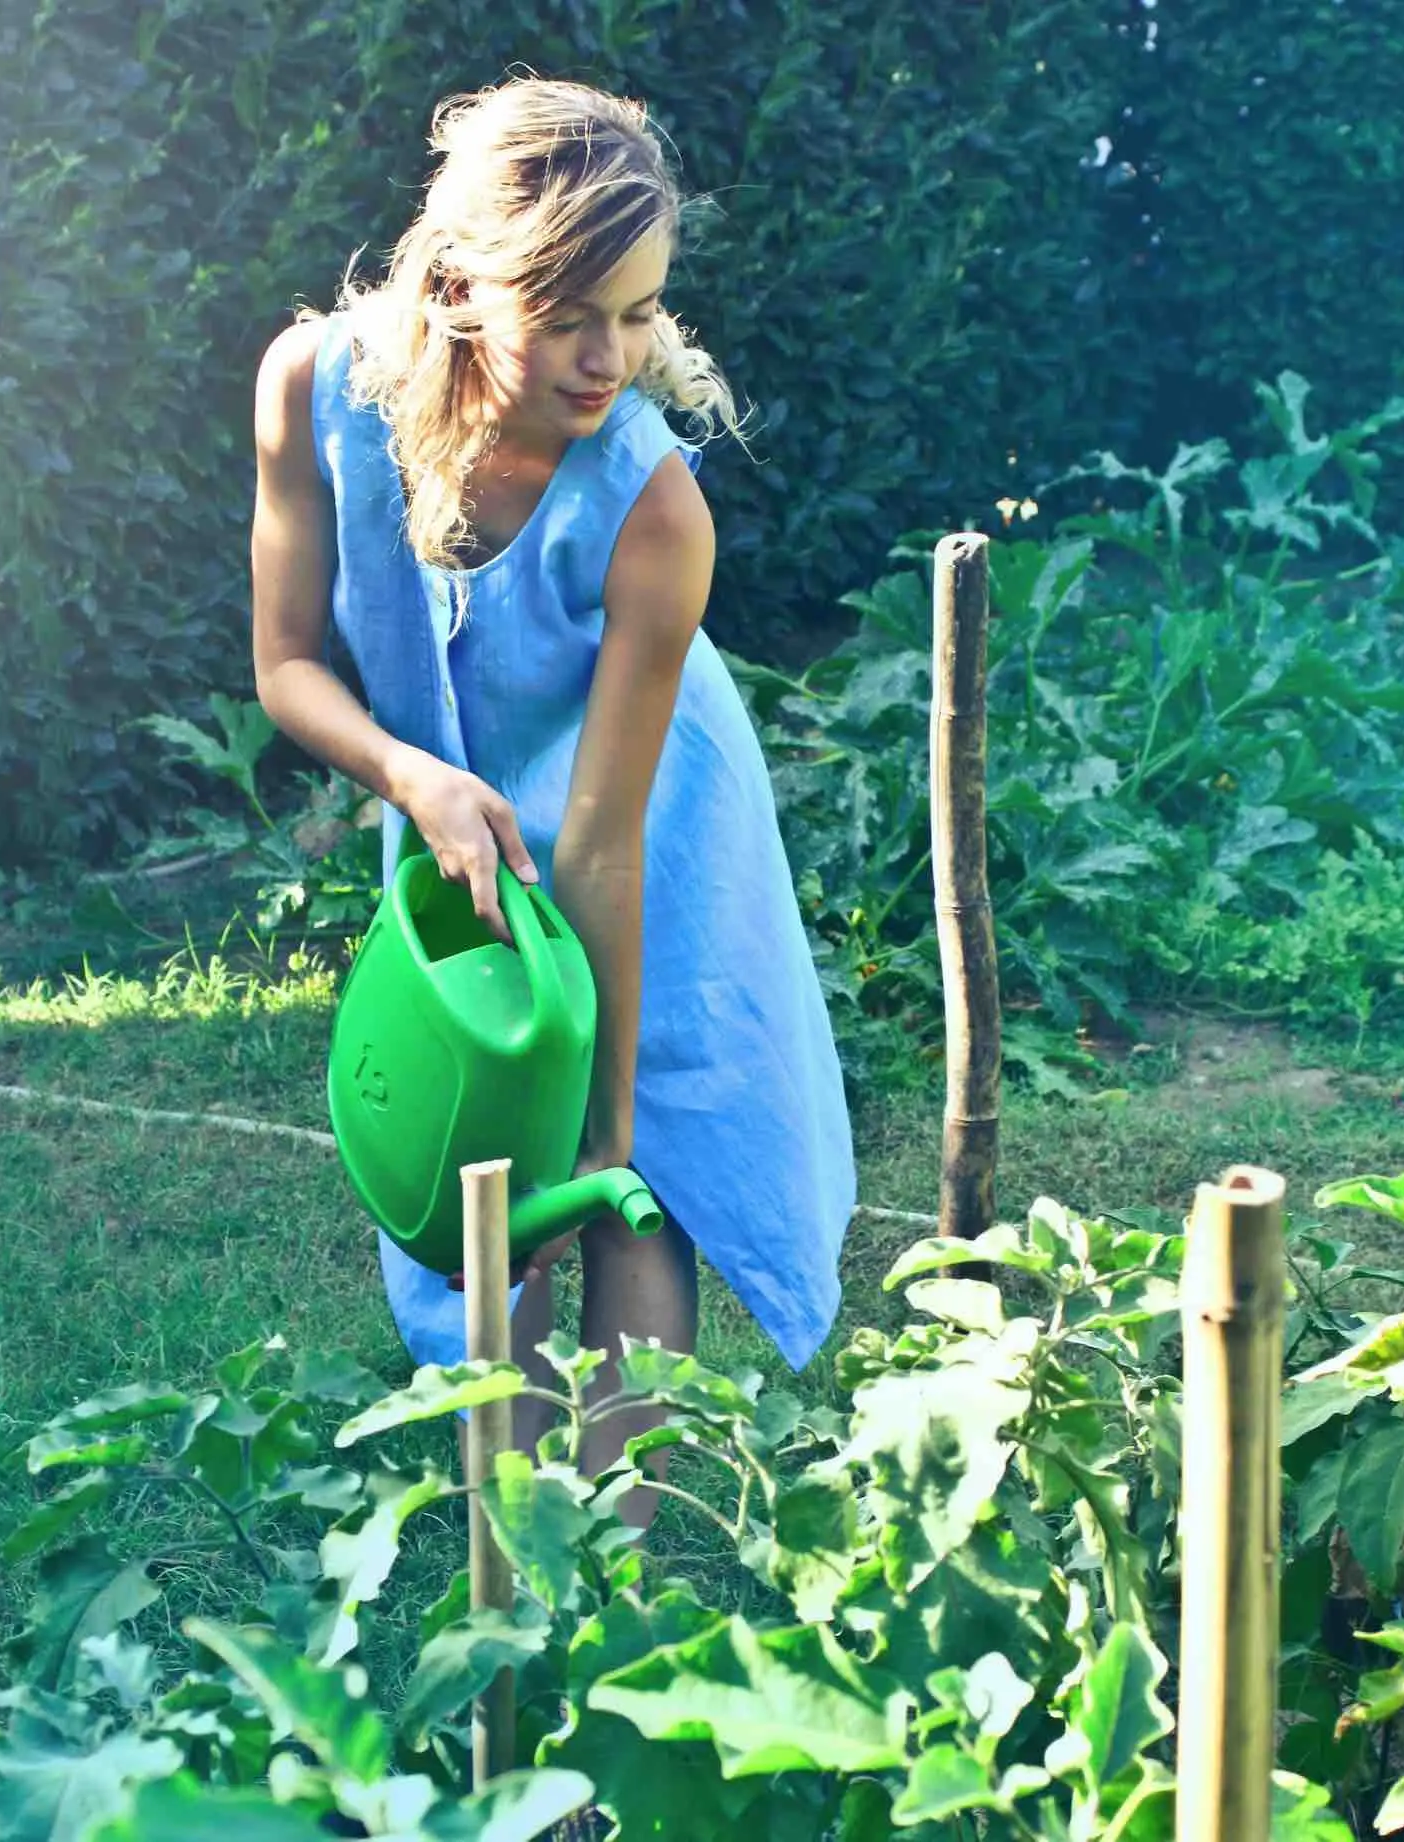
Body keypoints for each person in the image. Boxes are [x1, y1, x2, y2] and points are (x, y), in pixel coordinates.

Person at [250, 75, 855, 1528]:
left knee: (625, 1157)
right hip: (453, 800)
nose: (611, 357)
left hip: (647, 815)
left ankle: (617, 1557)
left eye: (639, 311)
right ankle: (518, 1535)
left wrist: (596, 1121)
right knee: (486, 1167)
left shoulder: (651, 503)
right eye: (573, 313)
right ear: (461, 286)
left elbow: (598, 843)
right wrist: (412, 775)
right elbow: (285, 666)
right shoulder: (311, 389)